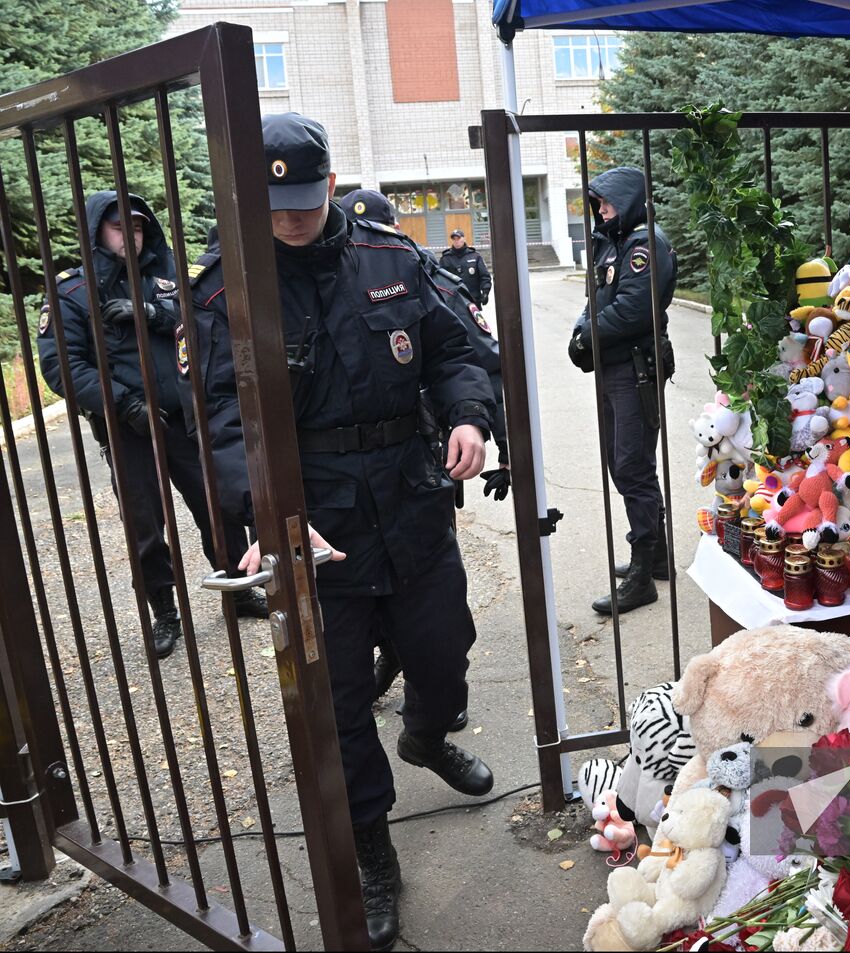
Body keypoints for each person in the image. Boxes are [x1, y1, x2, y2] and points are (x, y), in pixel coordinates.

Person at [189, 113, 497, 951]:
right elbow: (222, 419)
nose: (290, 217)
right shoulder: (227, 289)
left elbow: (458, 351)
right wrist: (257, 515)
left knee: (443, 648)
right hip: (311, 519)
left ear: (330, 183)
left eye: (303, 197)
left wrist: (469, 415)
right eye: (274, 202)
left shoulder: (392, 258)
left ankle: (429, 734)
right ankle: (371, 849)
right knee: (337, 700)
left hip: (408, 493)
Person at [37, 191, 266, 661]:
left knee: (218, 504)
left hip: (184, 420)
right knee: (145, 526)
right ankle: (164, 608)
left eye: (138, 227)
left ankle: (238, 588)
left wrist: (154, 314)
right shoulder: (72, 294)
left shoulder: (166, 279)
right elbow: (62, 366)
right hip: (129, 431)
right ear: (97, 231)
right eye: (120, 228)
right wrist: (123, 405)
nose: (132, 237)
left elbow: (200, 324)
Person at [337, 188, 511, 721]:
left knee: (429, 587)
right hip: (351, 477)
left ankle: (427, 687)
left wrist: (501, 445)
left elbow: (478, 360)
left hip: (428, 452)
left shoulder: (417, 273)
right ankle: (393, 654)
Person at [567, 166, 676, 615]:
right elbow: (596, 300)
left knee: (631, 465)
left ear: (627, 200)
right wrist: (581, 331)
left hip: (636, 371)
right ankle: (658, 555)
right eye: (598, 204)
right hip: (614, 370)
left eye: (606, 203)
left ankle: (642, 575)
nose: (601, 210)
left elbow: (635, 307)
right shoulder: (611, 242)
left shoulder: (644, 244)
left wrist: (589, 335)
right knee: (624, 463)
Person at [439, 228, 491, 306]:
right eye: (454, 239)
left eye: (458, 238)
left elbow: (484, 276)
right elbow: (440, 279)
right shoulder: (446, 258)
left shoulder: (475, 256)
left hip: (473, 298)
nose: (456, 241)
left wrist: (485, 292)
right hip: (453, 299)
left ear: (463, 239)